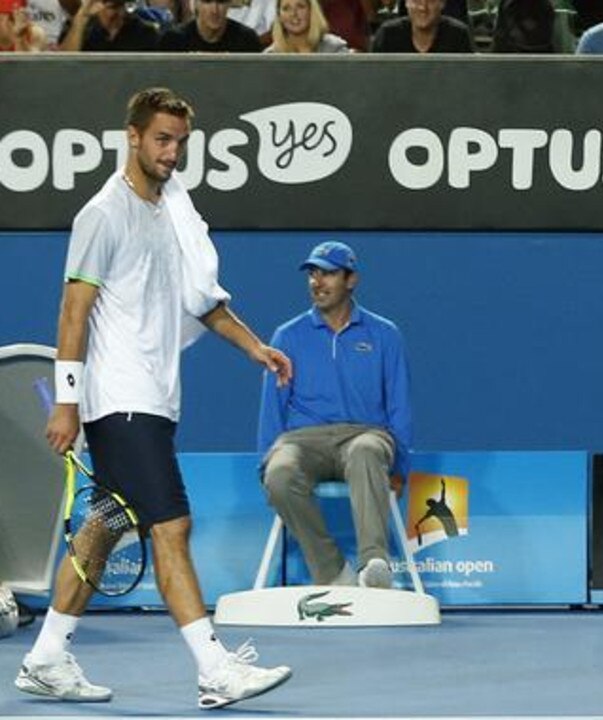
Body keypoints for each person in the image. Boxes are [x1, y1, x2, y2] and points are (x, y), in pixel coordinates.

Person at [16, 87, 293, 709]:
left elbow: (199, 299)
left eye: (181, 144)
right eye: (162, 140)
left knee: (105, 526)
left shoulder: (170, 212)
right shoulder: (104, 214)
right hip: (120, 398)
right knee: (173, 525)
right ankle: (214, 668)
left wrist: (254, 347)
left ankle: (47, 656)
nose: (172, 154)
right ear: (133, 137)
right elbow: (72, 311)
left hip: (154, 397)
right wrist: (66, 401)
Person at [257, 241, 413, 590]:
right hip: (302, 441)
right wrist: (265, 464)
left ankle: (374, 564)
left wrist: (400, 466)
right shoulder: (287, 335)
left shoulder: (384, 334)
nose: (317, 282)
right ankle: (332, 573)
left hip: (364, 435)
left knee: (366, 451)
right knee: (280, 473)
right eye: (312, 273)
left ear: (351, 279)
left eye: (327, 273)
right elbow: (272, 408)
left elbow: (399, 405)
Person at [370, 0, 472, 52]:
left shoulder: (458, 35)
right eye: (416, 0)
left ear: (442, 3)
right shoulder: (387, 35)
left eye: (431, 1)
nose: (423, 8)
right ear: (406, 3)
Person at [158, 0, 261, 51]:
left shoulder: (247, 39)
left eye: (221, 2)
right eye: (207, 2)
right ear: (195, 4)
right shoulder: (173, 40)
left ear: (229, 4)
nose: (214, 10)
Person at [60, 0, 159, 50]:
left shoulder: (144, 32)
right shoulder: (80, 28)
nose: (121, 13)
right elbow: (62, 66)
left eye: (123, 6)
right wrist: (81, 18)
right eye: (113, 7)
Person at [264, 0, 349, 52]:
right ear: (279, 16)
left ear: (312, 11)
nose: (293, 14)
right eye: (286, 8)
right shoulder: (270, 57)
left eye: (300, 6)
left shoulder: (335, 49)